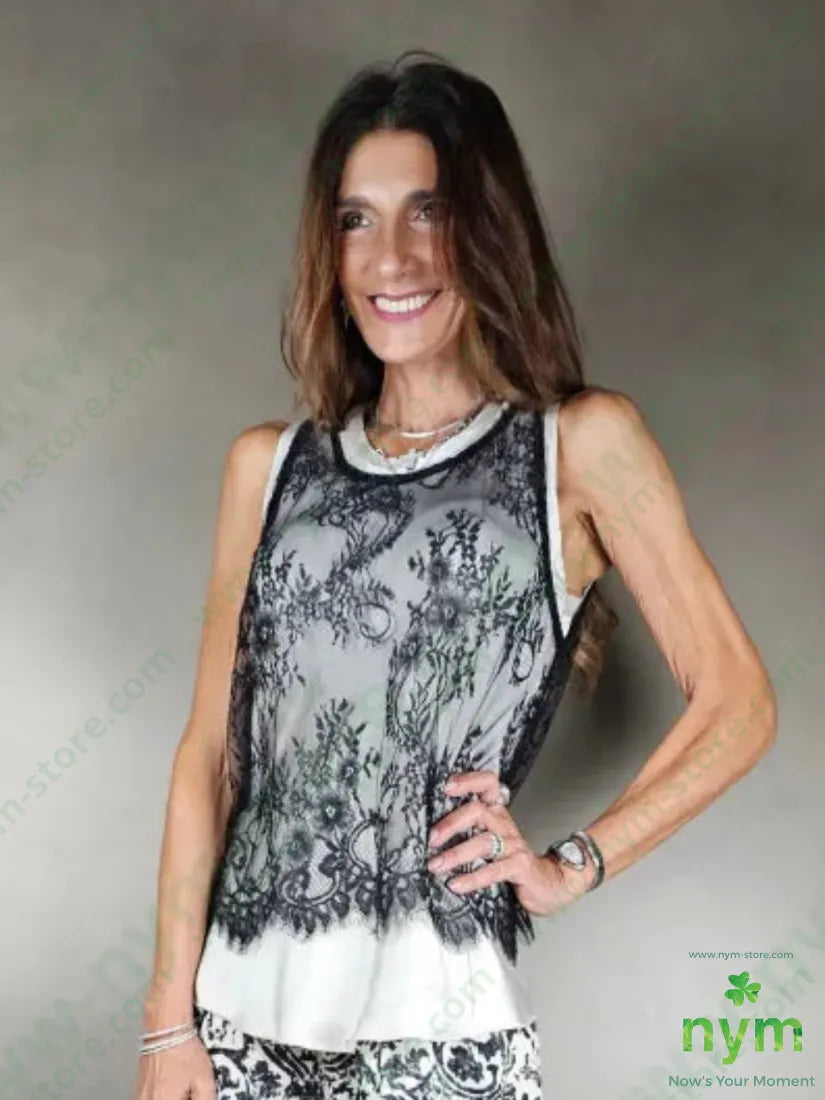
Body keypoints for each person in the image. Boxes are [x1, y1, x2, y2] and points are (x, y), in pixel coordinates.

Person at [134, 50, 777, 1100]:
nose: (390, 257)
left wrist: (572, 864)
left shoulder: (580, 447)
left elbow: (739, 703)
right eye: (356, 219)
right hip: (234, 1033)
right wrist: (168, 1023)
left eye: (426, 212)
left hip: (440, 1046)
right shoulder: (267, 469)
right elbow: (210, 758)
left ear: (485, 228)